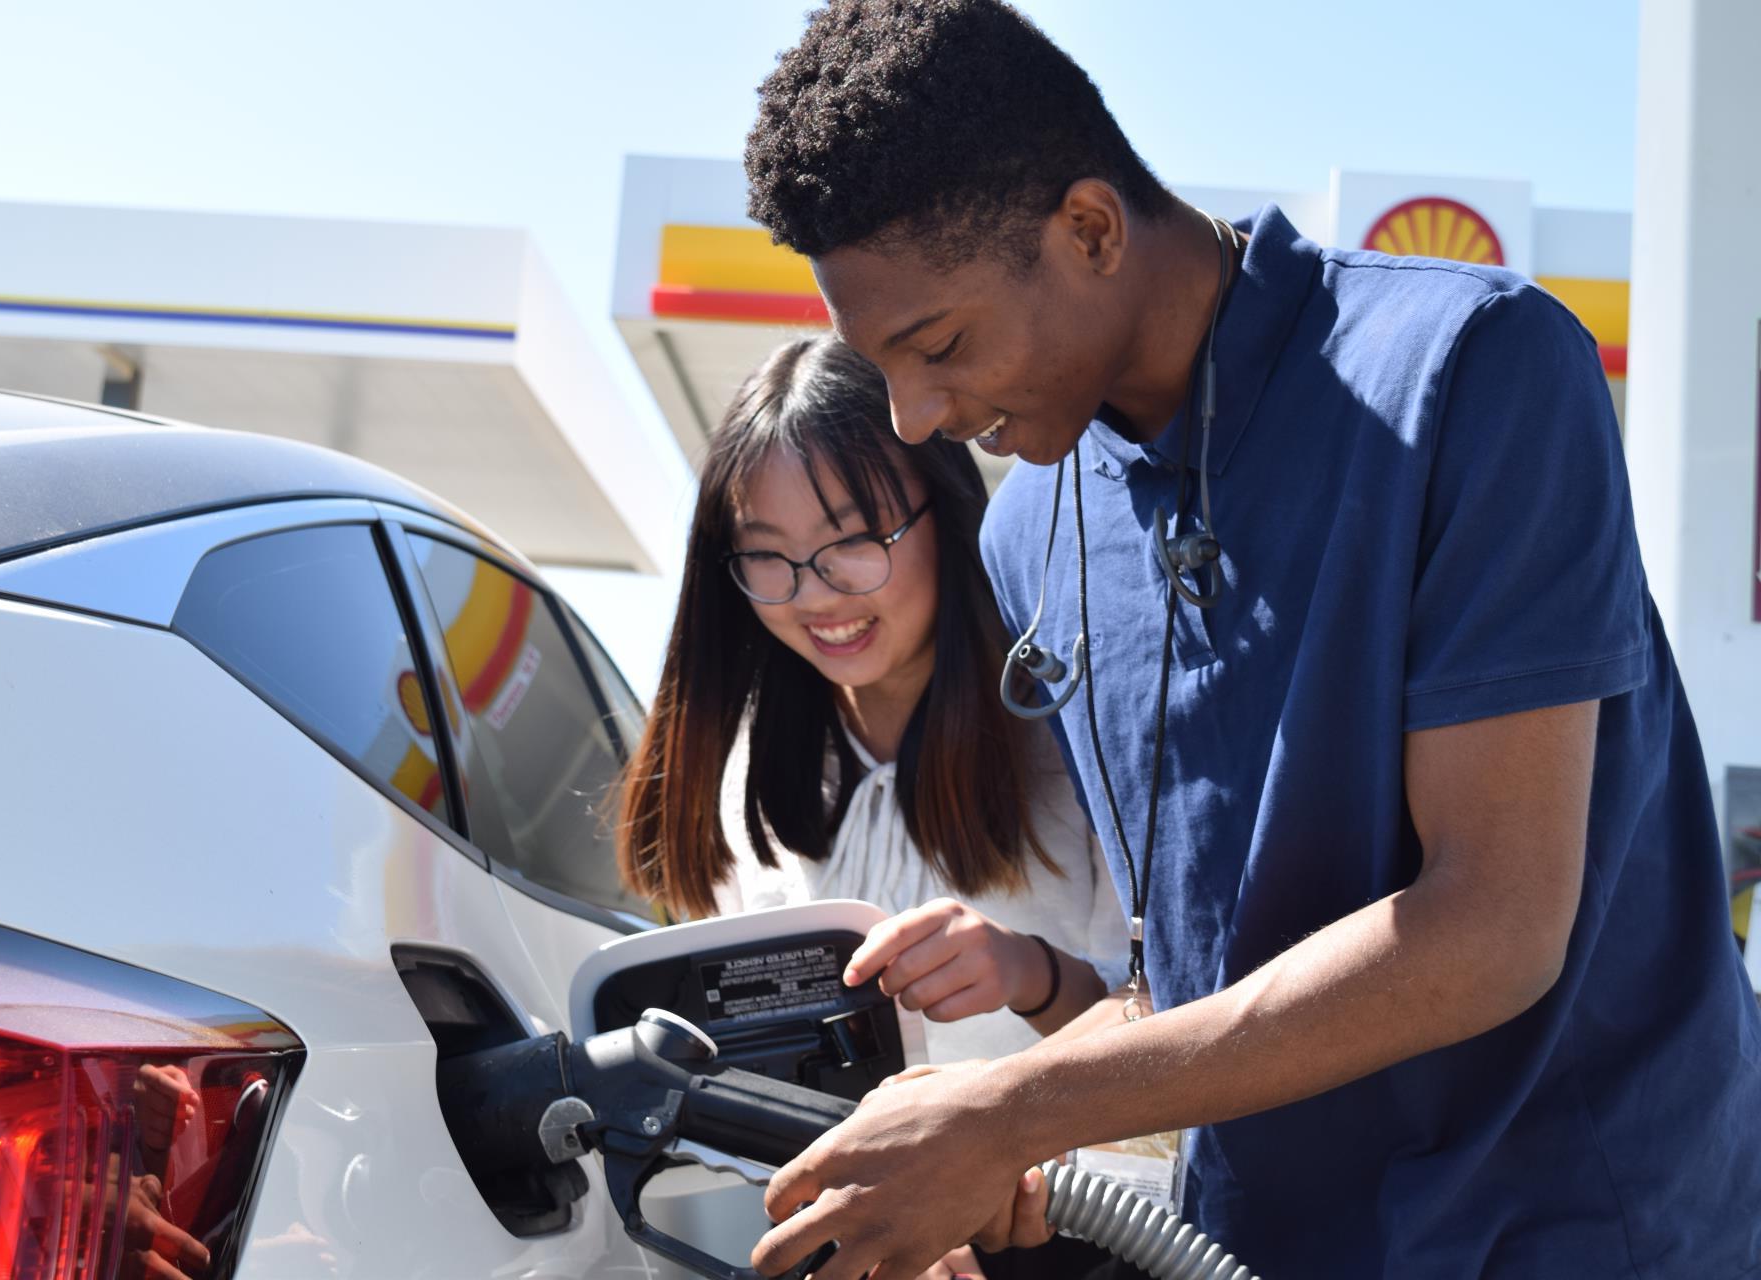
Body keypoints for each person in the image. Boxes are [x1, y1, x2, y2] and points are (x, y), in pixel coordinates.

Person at [734, 4, 1761, 1279]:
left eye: (939, 346)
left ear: (1093, 229)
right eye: (881, 368)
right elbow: (1191, 983)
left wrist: (1013, 1112)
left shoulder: (1473, 370)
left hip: (1589, 1238)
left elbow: (1493, 924)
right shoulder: (1032, 532)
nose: (920, 413)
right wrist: (975, 1157)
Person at [614, 334, 1142, 1279]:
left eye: (852, 543)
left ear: (943, 509)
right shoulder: (750, 779)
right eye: (766, 559)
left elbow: (1188, 1021)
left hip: (1092, 1243)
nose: (815, 597)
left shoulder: (1079, 733)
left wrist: (1032, 974)